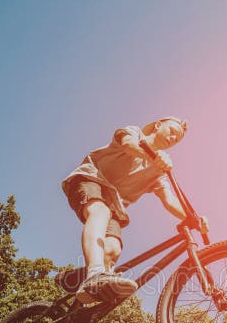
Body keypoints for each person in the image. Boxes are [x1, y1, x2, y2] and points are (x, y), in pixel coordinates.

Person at [62, 117, 189, 303]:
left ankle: (77, 309)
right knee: (100, 211)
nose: (173, 138)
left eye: (177, 139)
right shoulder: (134, 132)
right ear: (158, 125)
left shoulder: (157, 171)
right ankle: (94, 274)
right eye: (172, 131)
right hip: (90, 178)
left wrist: (193, 218)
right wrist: (153, 157)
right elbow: (129, 145)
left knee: (112, 250)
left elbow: (168, 199)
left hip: (113, 203)